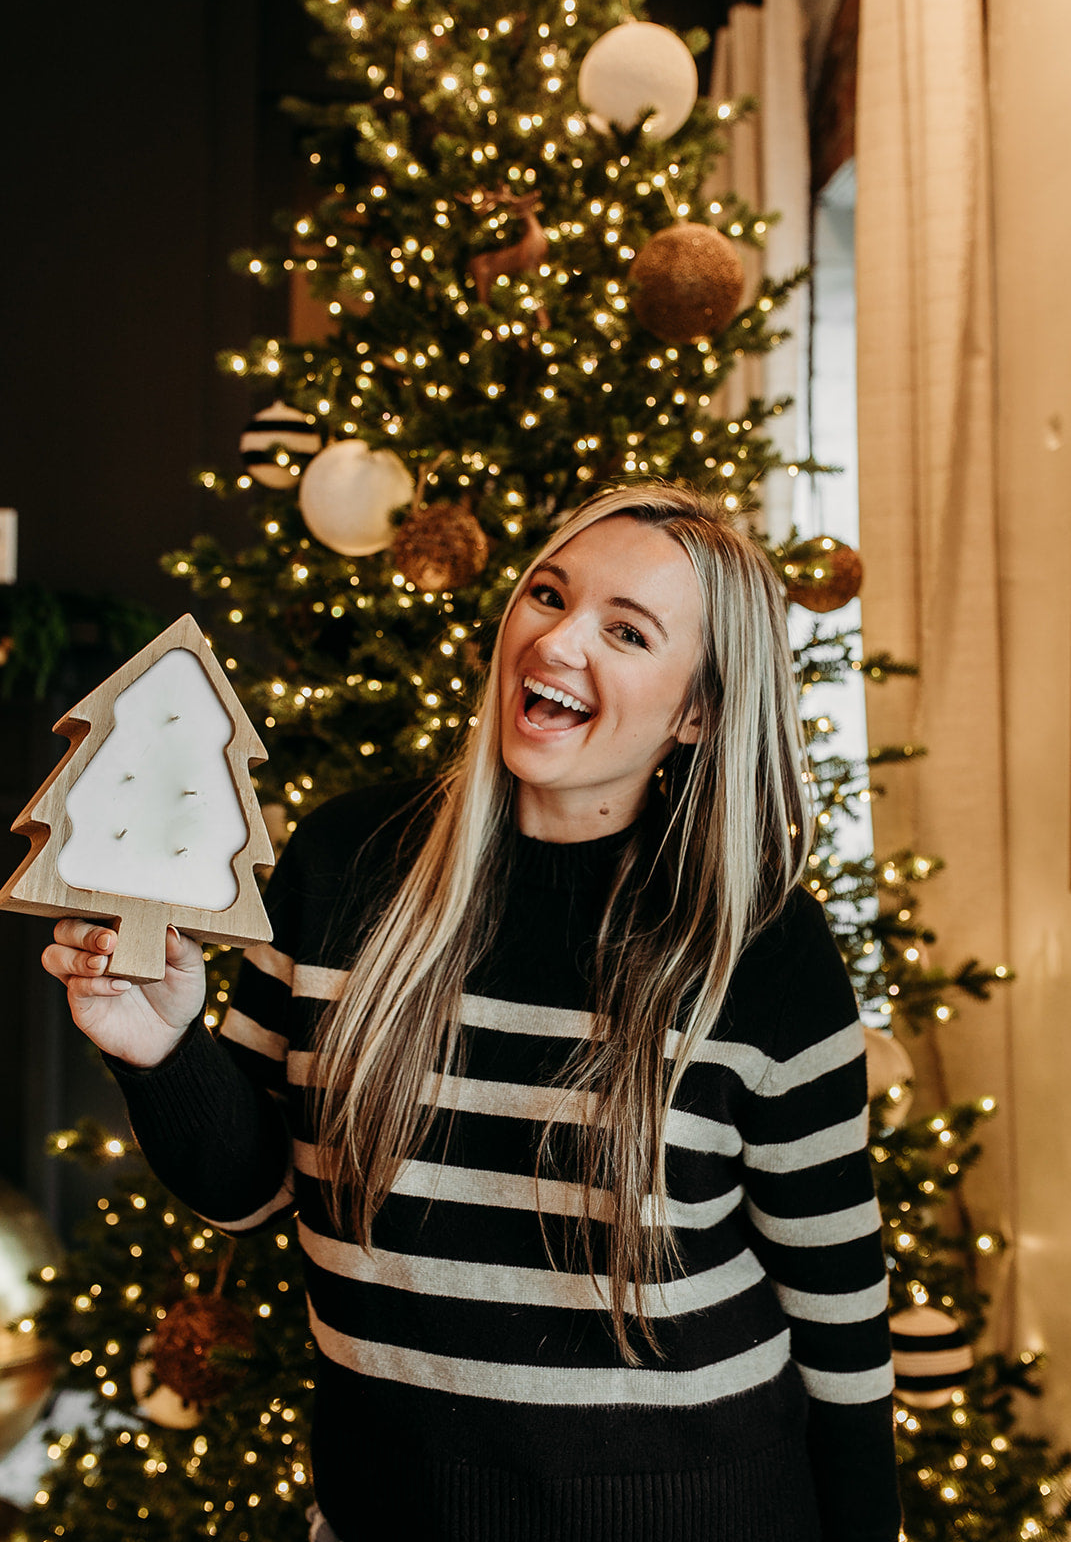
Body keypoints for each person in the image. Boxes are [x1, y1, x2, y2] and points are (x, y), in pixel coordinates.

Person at [44, 483, 902, 1542]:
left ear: (698, 710)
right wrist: (159, 1048)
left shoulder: (762, 945)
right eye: (548, 593)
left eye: (626, 629)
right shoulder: (345, 861)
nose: (557, 636)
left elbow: (837, 1300)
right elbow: (253, 1192)